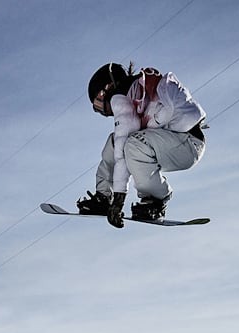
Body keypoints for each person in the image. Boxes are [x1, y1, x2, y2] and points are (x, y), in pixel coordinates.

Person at [77, 62, 206, 228]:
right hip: (172, 141)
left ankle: (156, 199)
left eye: (99, 103)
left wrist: (119, 200)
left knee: (133, 144)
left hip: (188, 143)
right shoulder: (135, 92)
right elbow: (119, 145)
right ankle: (103, 196)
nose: (102, 111)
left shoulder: (121, 98)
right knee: (115, 143)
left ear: (108, 88)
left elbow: (122, 153)